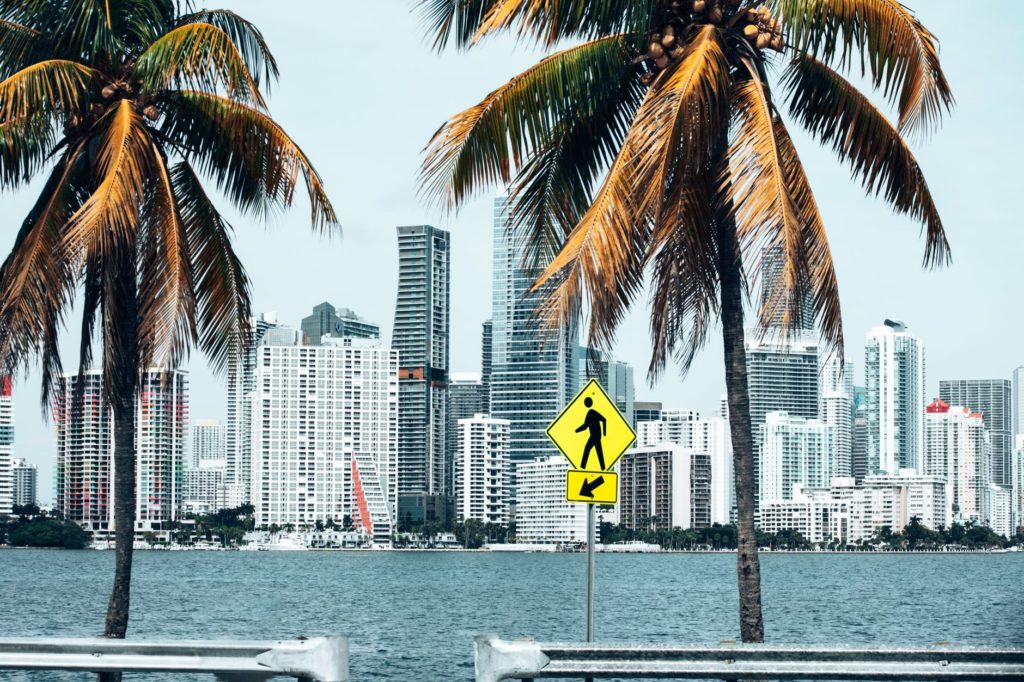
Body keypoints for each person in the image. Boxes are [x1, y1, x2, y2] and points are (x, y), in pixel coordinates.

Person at [575, 397, 607, 469]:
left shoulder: (590, 413)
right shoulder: (592, 412)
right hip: (597, 436)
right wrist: (603, 434)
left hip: (594, 436)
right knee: (599, 452)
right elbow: (604, 420)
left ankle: (583, 467)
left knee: (587, 449)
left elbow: (585, 426)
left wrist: (575, 431)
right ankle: (603, 468)